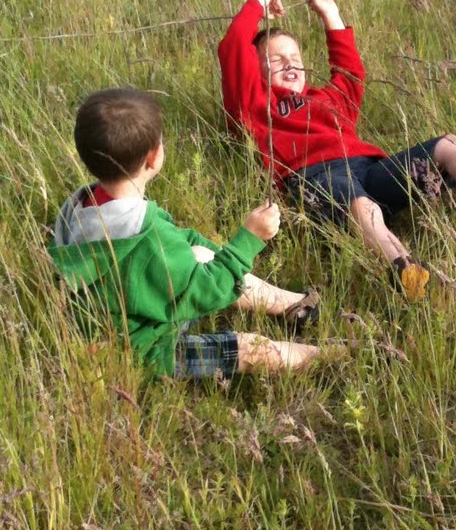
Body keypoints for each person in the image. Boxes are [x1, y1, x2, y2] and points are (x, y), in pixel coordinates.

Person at [218, 0, 456, 300]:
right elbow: (233, 47)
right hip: (315, 179)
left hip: (370, 170)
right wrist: (260, 3)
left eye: (295, 58)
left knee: (446, 145)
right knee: (362, 207)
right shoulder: (255, 106)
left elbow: (350, 72)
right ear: (256, 71)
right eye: (276, 60)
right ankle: (404, 269)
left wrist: (330, 14)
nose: (290, 65)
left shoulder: (327, 98)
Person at [50, 86, 328, 378]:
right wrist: (248, 241)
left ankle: (294, 307)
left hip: (128, 320)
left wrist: (217, 256)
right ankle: (339, 353)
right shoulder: (146, 236)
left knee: (201, 254)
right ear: (153, 157)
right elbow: (207, 292)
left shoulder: (82, 205)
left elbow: (178, 243)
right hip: (142, 348)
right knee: (252, 349)